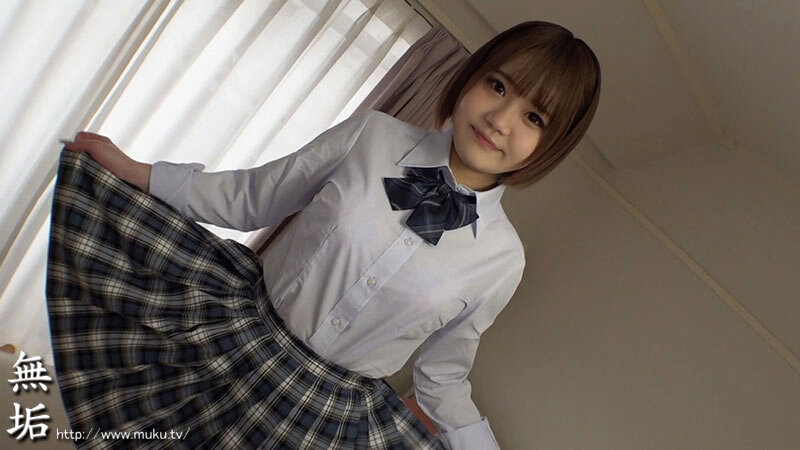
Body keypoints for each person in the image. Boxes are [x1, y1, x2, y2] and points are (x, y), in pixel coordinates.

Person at [49, 20, 600, 449]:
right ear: (470, 77)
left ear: (551, 145)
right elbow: (252, 197)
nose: (501, 119)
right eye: (497, 85)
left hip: (320, 421)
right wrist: (138, 172)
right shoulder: (374, 136)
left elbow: (442, 374)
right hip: (232, 345)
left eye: (534, 118)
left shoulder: (502, 260)